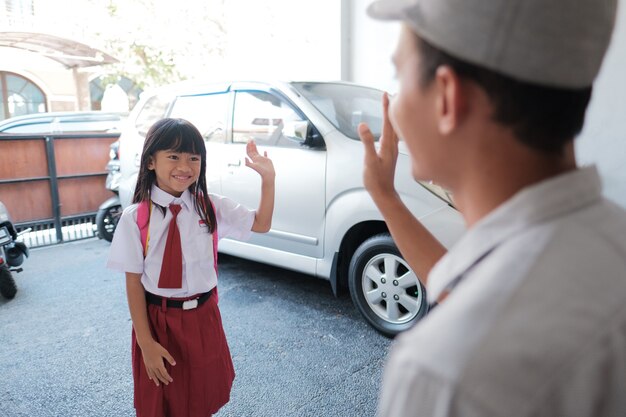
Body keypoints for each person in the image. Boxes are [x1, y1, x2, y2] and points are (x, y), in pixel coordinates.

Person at [358, 0, 626, 416]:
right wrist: (385, 197)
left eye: (399, 76)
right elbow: (470, 288)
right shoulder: (609, 237)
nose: (393, 106)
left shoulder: (442, 372)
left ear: (447, 97)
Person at [106, 118, 275, 417]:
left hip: (203, 318)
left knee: (201, 400)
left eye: (193, 158)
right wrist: (146, 344)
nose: (184, 166)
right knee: (161, 402)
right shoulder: (136, 218)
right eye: (173, 156)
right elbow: (133, 283)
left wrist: (268, 180)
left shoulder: (209, 206)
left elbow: (260, 223)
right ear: (150, 162)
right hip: (159, 322)